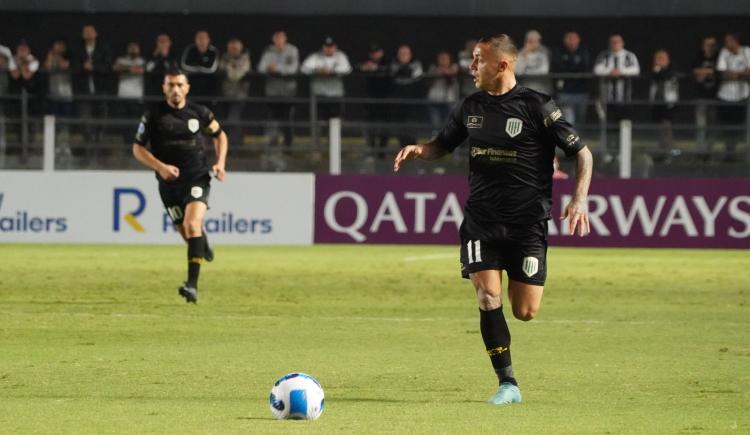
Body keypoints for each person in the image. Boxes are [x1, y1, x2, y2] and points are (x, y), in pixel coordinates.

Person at [393, 34, 593, 405]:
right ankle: (508, 383)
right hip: (481, 221)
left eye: (478, 60)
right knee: (488, 296)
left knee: (526, 311)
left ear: (502, 65)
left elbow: (582, 153)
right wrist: (420, 150)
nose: (471, 67)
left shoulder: (537, 106)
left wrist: (579, 199)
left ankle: (509, 371)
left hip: (527, 224)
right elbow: (442, 144)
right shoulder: (471, 106)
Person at [132, 68, 228, 303]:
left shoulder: (199, 112)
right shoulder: (153, 115)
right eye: (170, 85)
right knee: (187, 234)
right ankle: (201, 243)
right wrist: (160, 167)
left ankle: (192, 286)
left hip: (197, 177)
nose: (175, 89)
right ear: (164, 87)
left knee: (192, 224)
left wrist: (220, 163)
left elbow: (220, 135)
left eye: (179, 85)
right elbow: (137, 149)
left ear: (187, 88)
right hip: (168, 183)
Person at [72, 24, 112, 155]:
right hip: (83, 91)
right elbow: (74, 67)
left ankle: (98, 143)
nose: (88, 34)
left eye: (91, 31)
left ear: (96, 34)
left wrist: (93, 67)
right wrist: (83, 67)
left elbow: (108, 67)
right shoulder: (78, 50)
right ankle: (88, 145)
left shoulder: (103, 49)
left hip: (100, 90)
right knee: (85, 119)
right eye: (86, 32)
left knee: (102, 118)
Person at [257, 31, 299, 148]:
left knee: (287, 119)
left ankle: (288, 146)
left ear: (285, 39)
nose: (279, 40)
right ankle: (272, 144)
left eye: (281, 38)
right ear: (273, 39)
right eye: (277, 38)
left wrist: (278, 69)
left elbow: (293, 68)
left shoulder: (292, 50)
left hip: (288, 92)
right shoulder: (269, 51)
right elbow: (261, 68)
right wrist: (268, 68)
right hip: (272, 91)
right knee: (272, 118)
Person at [300, 36, 352, 121]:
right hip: (319, 94)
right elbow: (304, 69)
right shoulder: (316, 56)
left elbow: (347, 69)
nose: (329, 49)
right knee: (318, 119)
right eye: (326, 46)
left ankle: (334, 134)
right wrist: (318, 70)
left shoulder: (340, 56)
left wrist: (332, 71)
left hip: (335, 94)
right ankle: (317, 134)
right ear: (323, 47)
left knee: (335, 120)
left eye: (331, 46)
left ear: (335, 47)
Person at [716, 32, 750, 161]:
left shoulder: (746, 51)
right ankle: (729, 152)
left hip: (743, 95)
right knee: (727, 126)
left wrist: (734, 74)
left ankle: (744, 154)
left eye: (729, 41)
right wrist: (741, 73)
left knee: (741, 126)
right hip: (725, 95)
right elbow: (723, 73)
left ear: (735, 41)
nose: (726, 44)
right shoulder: (724, 52)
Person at [359, 43, 391, 161]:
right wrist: (364, 68)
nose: (375, 55)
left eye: (377, 52)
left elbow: (390, 70)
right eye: (373, 53)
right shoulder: (366, 62)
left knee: (384, 128)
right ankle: (371, 151)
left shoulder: (387, 62)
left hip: (384, 101)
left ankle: (382, 153)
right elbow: (356, 67)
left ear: (381, 52)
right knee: (370, 127)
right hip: (370, 101)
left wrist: (377, 68)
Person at [552, 31, 591, 126]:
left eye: (574, 38)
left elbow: (585, 68)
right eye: (569, 38)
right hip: (565, 91)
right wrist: (573, 65)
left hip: (581, 91)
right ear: (564, 40)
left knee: (580, 119)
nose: (571, 41)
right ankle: (570, 140)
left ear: (578, 40)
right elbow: (558, 67)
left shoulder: (584, 52)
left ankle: (580, 139)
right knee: (569, 119)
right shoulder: (559, 52)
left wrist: (570, 65)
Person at [389, 44, 424, 148]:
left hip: (413, 104)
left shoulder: (416, 64)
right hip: (398, 104)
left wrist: (406, 71)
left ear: (410, 55)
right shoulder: (393, 64)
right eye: (401, 54)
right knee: (400, 128)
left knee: (412, 128)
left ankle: (412, 150)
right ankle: (403, 150)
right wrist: (401, 70)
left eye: (406, 54)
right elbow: (392, 77)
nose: (403, 56)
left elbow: (417, 77)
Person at [219, 37, 251, 143]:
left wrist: (229, 67)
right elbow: (220, 67)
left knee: (233, 120)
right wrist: (231, 67)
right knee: (224, 121)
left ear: (240, 49)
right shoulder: (224, 57)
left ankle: (237, 144)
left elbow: (235, 76)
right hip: (225, 95)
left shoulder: (245, 59)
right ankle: (230, 144)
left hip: (239, 95)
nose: (234, 51)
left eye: (236, 48)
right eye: (231, 48)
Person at [649, 49, 679, 155]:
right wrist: (656, 71)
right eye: (657, 59)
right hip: (656, 102)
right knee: (659, 127)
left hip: (668, 103)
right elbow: (654, 76)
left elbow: (664, 75)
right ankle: (660, 150)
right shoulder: (654, 70)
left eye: (662, 58)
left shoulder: (671, 70)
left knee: (667, 126)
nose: (659, 61)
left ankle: (668, 150)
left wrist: (658, 71)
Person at [426, 50, 459, 136]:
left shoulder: (454, 67)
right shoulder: (433, 68)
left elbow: (452, 74)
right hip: (435, 100)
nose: (443, 60)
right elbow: (429, 80)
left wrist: (445, 72)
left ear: (449, 59)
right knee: (435, 125)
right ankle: (435, 144)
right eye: (441, 58)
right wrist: (439, 72)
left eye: (445, 58)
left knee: (448, 125)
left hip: (449, 101)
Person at [180, 30, 219, 97]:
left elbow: (212, 69)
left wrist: (198, 68)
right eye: (199, 38)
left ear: (208, 40)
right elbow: (184, 65)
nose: (201, 40)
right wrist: (200, 68)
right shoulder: (190, 49)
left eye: (204, 38)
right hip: (192, 84)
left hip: (209, 85)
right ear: (195, 39)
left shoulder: (213, 51)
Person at [515, 30, 552, 95]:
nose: (533, 44)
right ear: (526, 42)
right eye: (530, 41)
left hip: (542, 89)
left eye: (536, 41)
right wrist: (525, 56)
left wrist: (526, 72)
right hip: (526, 89)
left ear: (539, 42)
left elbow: (544, 71)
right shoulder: (521, 53)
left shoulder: (544, 52)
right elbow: (518, 72)